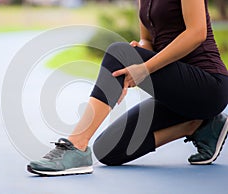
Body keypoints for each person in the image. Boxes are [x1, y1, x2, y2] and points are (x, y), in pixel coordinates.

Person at [27, 0, 228, 176]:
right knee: (108, 150)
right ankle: (198, 126)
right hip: (177, 94)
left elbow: (197, 32)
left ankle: (76, 146)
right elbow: (148, 40)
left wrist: (144, 67)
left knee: (118, 52)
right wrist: (137, 55)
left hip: (208, 86)